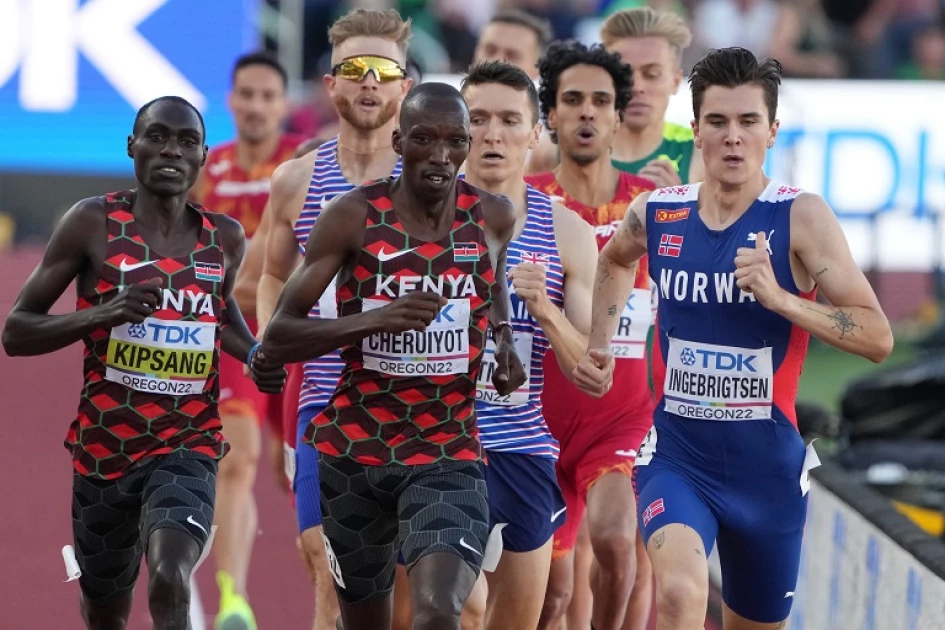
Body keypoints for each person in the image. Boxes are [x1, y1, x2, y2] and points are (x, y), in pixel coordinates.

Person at [571, 47, 894, 630]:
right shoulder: (659, 213)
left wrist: (782, 300)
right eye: (717, 122)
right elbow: (616, 260)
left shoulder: (801, 217)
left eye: (748, 122)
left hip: (766, 474)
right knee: (678, 595)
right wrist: (601, 342)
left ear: (772, 131)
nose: (733, 137)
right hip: (677, 459)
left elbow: (877, 336)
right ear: (695, 130)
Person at [0, 96, 287, 630]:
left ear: (202, 156)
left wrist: (254, 356)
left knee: (171, 572)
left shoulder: (222, 238)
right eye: (157, 136)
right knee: (105, 611)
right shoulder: (92, 222)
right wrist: (103, 314)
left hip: (188, 443)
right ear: (132, 146)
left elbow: (219, 318)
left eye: (186, 141)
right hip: (104, 449)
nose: (171, 150)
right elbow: (17, 332)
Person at [262, 82, 526, 630]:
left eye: (456, 141)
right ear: (399, 140)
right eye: (425, 139)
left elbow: (493, 282)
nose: (441, 155)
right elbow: (280, 335)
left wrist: (502, 340)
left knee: (437, 613)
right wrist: (374, 319)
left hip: (447, 451)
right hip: (356, 452)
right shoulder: (352, 215)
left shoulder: (494, 217)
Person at [255, 9, 413, 630]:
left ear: (404, 84)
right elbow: (271, 274)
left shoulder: (429, 179)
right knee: (325, 557)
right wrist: (273, 338)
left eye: (383, 71)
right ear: (331, 84)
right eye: (354, 69)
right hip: (324, 392)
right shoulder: (296, 180)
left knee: (406, 585)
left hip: (417, 396)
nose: (369, 82)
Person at [459, 60, 600, 630]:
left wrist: (543, 308)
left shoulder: (566, 231)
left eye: (509, 120)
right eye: (478, 119)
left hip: (521, 452)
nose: (493, 134)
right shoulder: (415, 222)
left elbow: (592, 370)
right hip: (430, 445)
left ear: (535, 133)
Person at [524, 40, 657, 630]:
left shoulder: (654, 207)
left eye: (600, 101)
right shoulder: (525, 205)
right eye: (570, 100)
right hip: (534, 423)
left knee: (617, 542)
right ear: (549, 114)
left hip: (619, 421)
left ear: (618, 113)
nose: (585, 112)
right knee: (550, 598)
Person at [189, 50, 304, 630]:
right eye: (247, 95)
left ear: (286, 105)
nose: (257, 106)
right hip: (234, 334)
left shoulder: (303, 166)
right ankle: (233, 601)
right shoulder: (207, 170)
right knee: (237, 459)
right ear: (231, 101)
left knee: (301, 475)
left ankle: (340, 594)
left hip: (298, 338)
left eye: (268, 96)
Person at [601, 7, 704, 187]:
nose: (636, 87)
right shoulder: (561, 151)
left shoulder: (701, 154)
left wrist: (678, 203)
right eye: (623, 74)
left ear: (675, 81)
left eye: (652, 74)